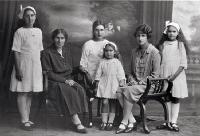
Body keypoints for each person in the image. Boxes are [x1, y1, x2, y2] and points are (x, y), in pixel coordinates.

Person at [116, 24, 161, 134]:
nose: (140, 38)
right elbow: (130, 72)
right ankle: (132, 120)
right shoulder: (134, 52)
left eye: (143, 35)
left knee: (128, 90)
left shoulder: (155, 52)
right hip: (136, 84)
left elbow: (155, 75)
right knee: (118, 90)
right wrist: (131, 79)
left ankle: (124, 121)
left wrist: (140, 82)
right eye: (137, 36)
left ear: (147, 36)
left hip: (150, 85)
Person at [41, 29, 88, 134]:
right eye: (57, 38)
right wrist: (65, 80)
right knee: (69, 91)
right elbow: (49, 73)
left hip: (68, 80)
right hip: (54, 82)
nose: (59, 40)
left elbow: (70, 69)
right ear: (53, 39)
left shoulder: (67, 51)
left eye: (62, 38)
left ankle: (77, 117)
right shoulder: (46, 53)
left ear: (65, 40)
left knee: (79, 89)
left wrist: (79, 69)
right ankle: (76, 121)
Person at [10, 6, 43, 131]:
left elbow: (39, 51)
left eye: (32, 15)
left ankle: (27, 118)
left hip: (35, 66)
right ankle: (23, 120)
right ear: (23, 17)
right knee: (22, 92)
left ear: (35, 17)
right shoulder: (19, 32)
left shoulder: (39, 31)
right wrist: (18, 70)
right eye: (27, 15)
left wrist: (40, 68)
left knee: (29, 92)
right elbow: (16, 52)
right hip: (23, 65)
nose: (30, 18)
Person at [156, 21, 188, 132]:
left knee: (175, 98)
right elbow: (160, 61)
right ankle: (167, 121)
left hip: (176, 76)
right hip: (165, 75)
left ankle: (173, 122)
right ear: (166, 32)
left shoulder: (180, 45)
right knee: (166, 98)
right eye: (169, 31)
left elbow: (183, 64)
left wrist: (174, 76)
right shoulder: (162, 45)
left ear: (178, 33)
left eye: (174, 31)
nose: (171, 34)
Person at [80, 20, 120, 100]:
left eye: (101, 30)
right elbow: (82, 64)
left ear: (105, 31)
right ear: (93, 31)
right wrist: (86, 73)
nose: (99, 33)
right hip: (92, 77)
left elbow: (116, 61)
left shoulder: (108, 44)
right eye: (96, 30)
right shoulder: (88, 44)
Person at [94, 43, 126, 131]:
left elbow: (121, 73)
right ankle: (104, 121)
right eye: (107, 51)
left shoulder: (117, 62)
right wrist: (97, 83)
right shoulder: (102, 62)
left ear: (114, 52)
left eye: (111, 51)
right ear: (104, 52)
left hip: (114, 84)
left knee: (112, 103)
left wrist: (122, 81)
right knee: (104, 102)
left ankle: (110, 121)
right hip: (104, 84)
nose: (109, 53)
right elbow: (98, 73)